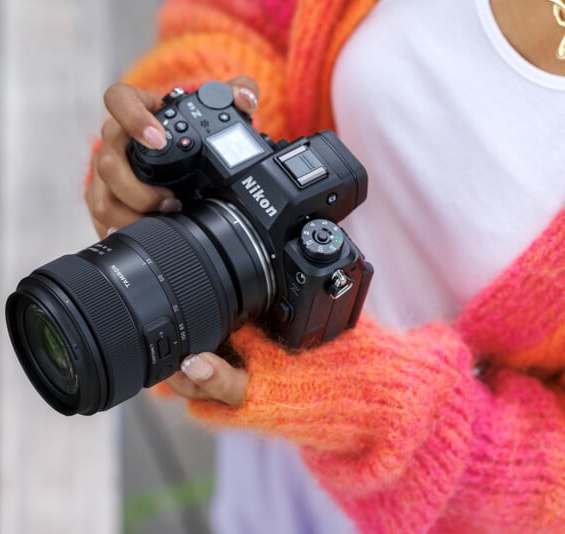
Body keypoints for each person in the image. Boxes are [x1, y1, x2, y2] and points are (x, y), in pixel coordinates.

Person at [85, 0, 565, 532]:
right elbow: (241, 17)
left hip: (426, 494)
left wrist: (372, 409)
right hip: (260, 421)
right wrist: (197, 149)